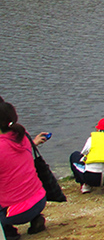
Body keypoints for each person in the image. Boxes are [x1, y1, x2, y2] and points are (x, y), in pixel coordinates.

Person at [0, 101, 47, 239]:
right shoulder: (22, 135)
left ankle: (9, 233)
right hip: (39, 201)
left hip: (14, 213)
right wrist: (34, 143)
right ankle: (36, 219)